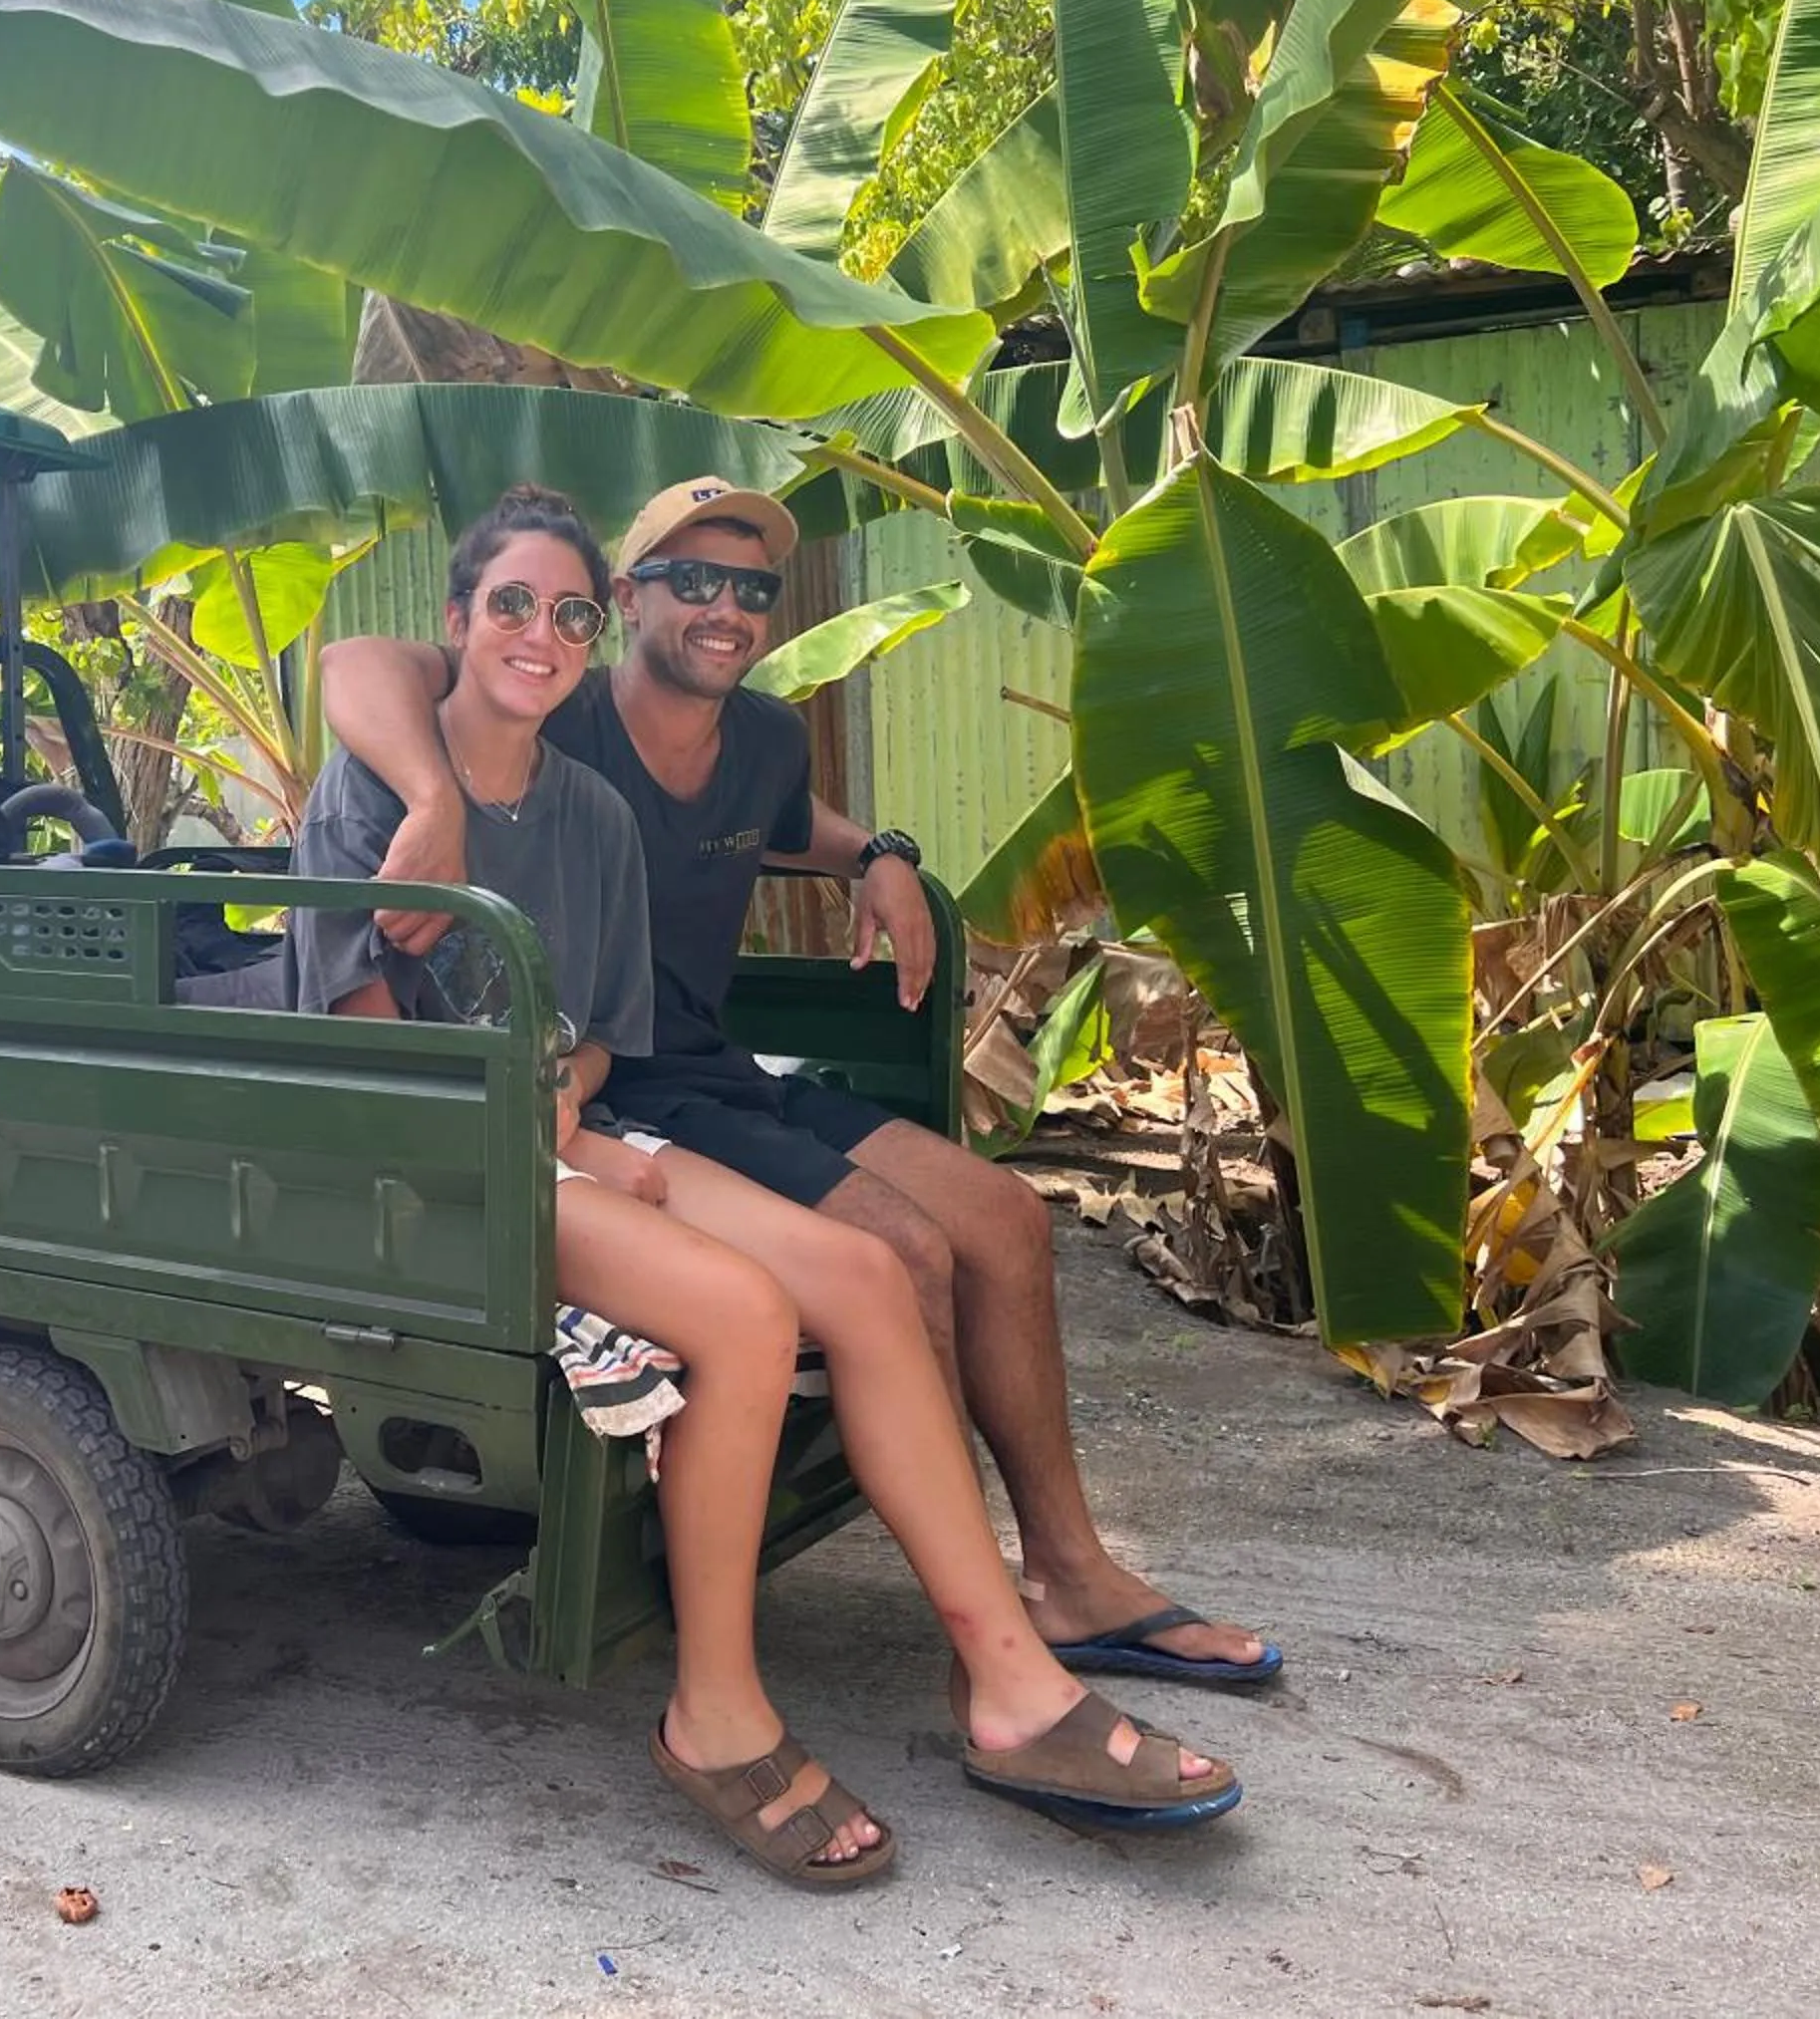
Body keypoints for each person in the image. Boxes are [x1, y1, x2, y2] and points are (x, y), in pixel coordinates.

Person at [291, 485, 1239, 1890]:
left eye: (564, 611)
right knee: (739, 1309)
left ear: (589, 624)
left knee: (860, 1271)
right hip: (435, 1148)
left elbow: (603, 1027)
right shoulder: (375, 786)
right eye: (510, 606)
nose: (539, 634)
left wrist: (577, 1118)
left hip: (571, 1124)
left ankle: (1014, 1678)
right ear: (456, 625)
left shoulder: (594, 811)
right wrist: (555, 1135)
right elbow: (366, 1034)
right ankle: (714, 1708)